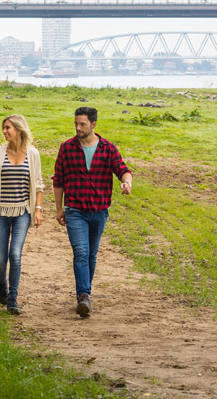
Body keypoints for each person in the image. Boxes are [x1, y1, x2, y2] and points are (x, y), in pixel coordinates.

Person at [53, 106, 132, 318]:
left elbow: (123, 170)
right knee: (80, 251)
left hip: (99, 210)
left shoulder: (108, 148)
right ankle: (84, 296)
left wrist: (126, 183)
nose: (78, 128)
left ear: (93, 124)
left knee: (91, 254)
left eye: (82, 124)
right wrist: (59, 208)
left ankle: (85, 292)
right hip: (75, 210)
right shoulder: (67, 148)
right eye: (76, 124)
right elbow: (58, 179)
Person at [0, 114, 45, 315]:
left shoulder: (33, 154)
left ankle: (13, 299)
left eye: (8, 128)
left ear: (18, 129)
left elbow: (38, 184)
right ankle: (2, 284)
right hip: (0, 211)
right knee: (1, 260)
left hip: (22, 212)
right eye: (3, 128)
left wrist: (38, 210)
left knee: (15, 255)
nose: (4, 131)